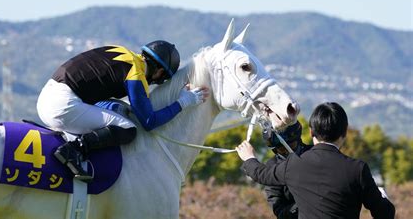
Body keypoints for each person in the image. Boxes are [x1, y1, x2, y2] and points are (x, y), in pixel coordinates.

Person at [37, 40, 209, 182]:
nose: (154, 83)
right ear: (160, 71)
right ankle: (74, 149)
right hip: (63, 106)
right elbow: (149, 122)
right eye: (159, 80)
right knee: (128, 129)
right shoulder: (136, 75)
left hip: (47, 96)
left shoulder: (121, 51)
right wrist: (184, 102)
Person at [236, 102, 395, 219]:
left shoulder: (294, 164)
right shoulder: (358, 169)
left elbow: (261, 174)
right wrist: (383, 199)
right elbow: (384, 214)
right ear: (344, 133)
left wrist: (249, 157)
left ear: (311, 131)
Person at [262, 121, 312, 219]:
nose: (288, 151)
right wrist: (303, 205)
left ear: (298, 140)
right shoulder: (271, 166)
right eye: (282, 149)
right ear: (275, 149)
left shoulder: (315, 153)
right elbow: (278, 209)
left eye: (291, 145)